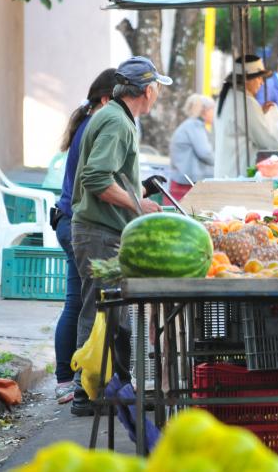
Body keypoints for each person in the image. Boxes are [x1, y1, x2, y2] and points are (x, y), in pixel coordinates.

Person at [70, 56, 169, 415]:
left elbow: (107, 175)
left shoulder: (115, 117)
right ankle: (92, 395)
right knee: (102, 315)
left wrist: (137, 197)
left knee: (108, 315)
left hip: (102, 229)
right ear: (146, 90)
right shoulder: (117, 122)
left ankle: (109, 390)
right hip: (98, 232)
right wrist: (136, 205)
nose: (158, 93)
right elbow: (96, 180)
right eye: (157, 86)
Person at [52, 68, 117, 405]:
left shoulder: (90, 122)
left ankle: (66, 378)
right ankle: (74, 380)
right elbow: (96, 179)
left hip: (67, 220)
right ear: (105, 99)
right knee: (82, 303)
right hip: (77, 222)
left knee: (77, 301)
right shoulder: (97, 125)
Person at [214, 54, 278, 178]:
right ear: (247, 80)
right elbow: (269, 143)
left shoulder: (227, 97)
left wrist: (260, 114)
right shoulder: (246, 103)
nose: (261, 83)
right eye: (258, 78)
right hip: (237, 176)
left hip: (224, 172)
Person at [168, 94, 216, 201]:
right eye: (213, 109)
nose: (215, 113)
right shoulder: (194, 126)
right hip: (185, 186)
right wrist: (221, 164)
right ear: (204, 110)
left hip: (184, 182)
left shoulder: (192, 125)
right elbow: (205, 153)